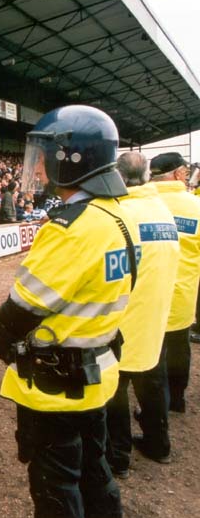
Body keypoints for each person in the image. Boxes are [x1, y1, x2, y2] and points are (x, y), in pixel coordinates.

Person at [0, 105, 134, 518]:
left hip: (57, 382)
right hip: (99, 371)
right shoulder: (117, 215)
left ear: (69, 158)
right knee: (94, 470)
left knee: (55, 485)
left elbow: (23, 308)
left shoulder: (72, 226)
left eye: (44, 155)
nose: (39, 167)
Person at [105, 152, 179, 476]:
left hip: (123, 321)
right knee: (153, 385)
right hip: (156, 316)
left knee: (115, 394)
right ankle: (158, 444)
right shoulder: (163, 210)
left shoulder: (119, 214)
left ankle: (118, 458)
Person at [149, 151, 200, 415]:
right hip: (182, 293)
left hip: (148, 294)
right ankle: (177, 399)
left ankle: (155, 405)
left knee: (152, 350)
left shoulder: (141, 206)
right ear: (179, 174)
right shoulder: (196, 206)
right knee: (180, 347)